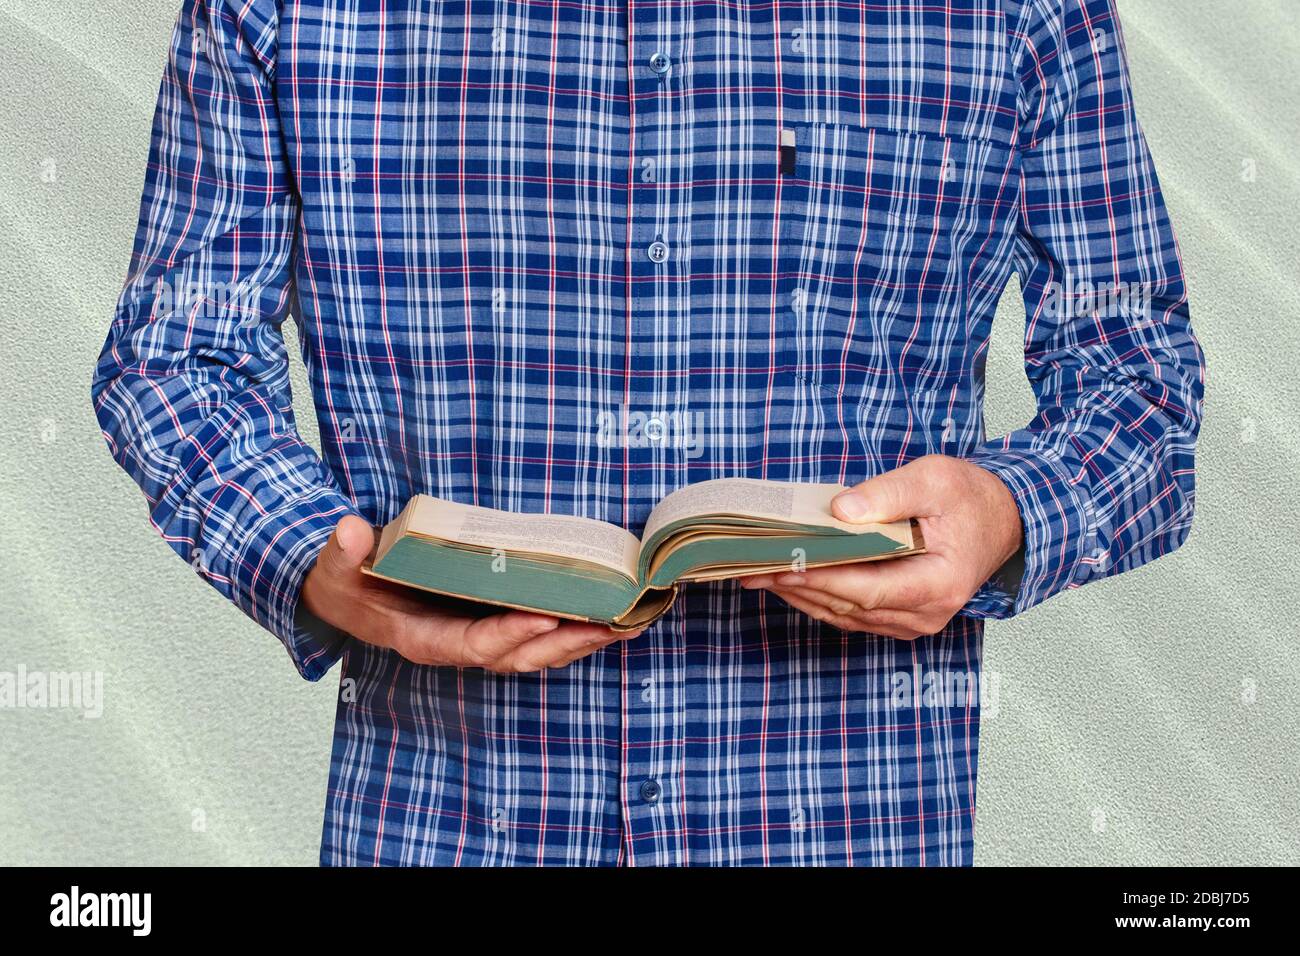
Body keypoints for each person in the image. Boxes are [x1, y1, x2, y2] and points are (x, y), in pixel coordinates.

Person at [93, 0, 1204, 866]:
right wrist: (317, 564)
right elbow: (174, 358)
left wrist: (1003, 513)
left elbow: (1139, 379)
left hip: (851, 818)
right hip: (441, 817)